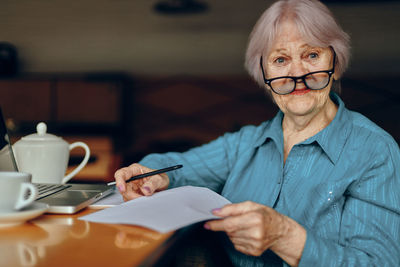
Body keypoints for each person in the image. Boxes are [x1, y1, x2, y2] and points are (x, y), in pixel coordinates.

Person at [114, 0, 400, 266]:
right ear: (264, 75)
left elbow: (380, 262)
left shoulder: (375, 151)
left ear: (334, 64)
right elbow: (179, 167)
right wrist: (153, 175)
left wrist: (284, 235)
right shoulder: (245, 144)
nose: (297, 74)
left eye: (312, 54)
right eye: (280, 60)